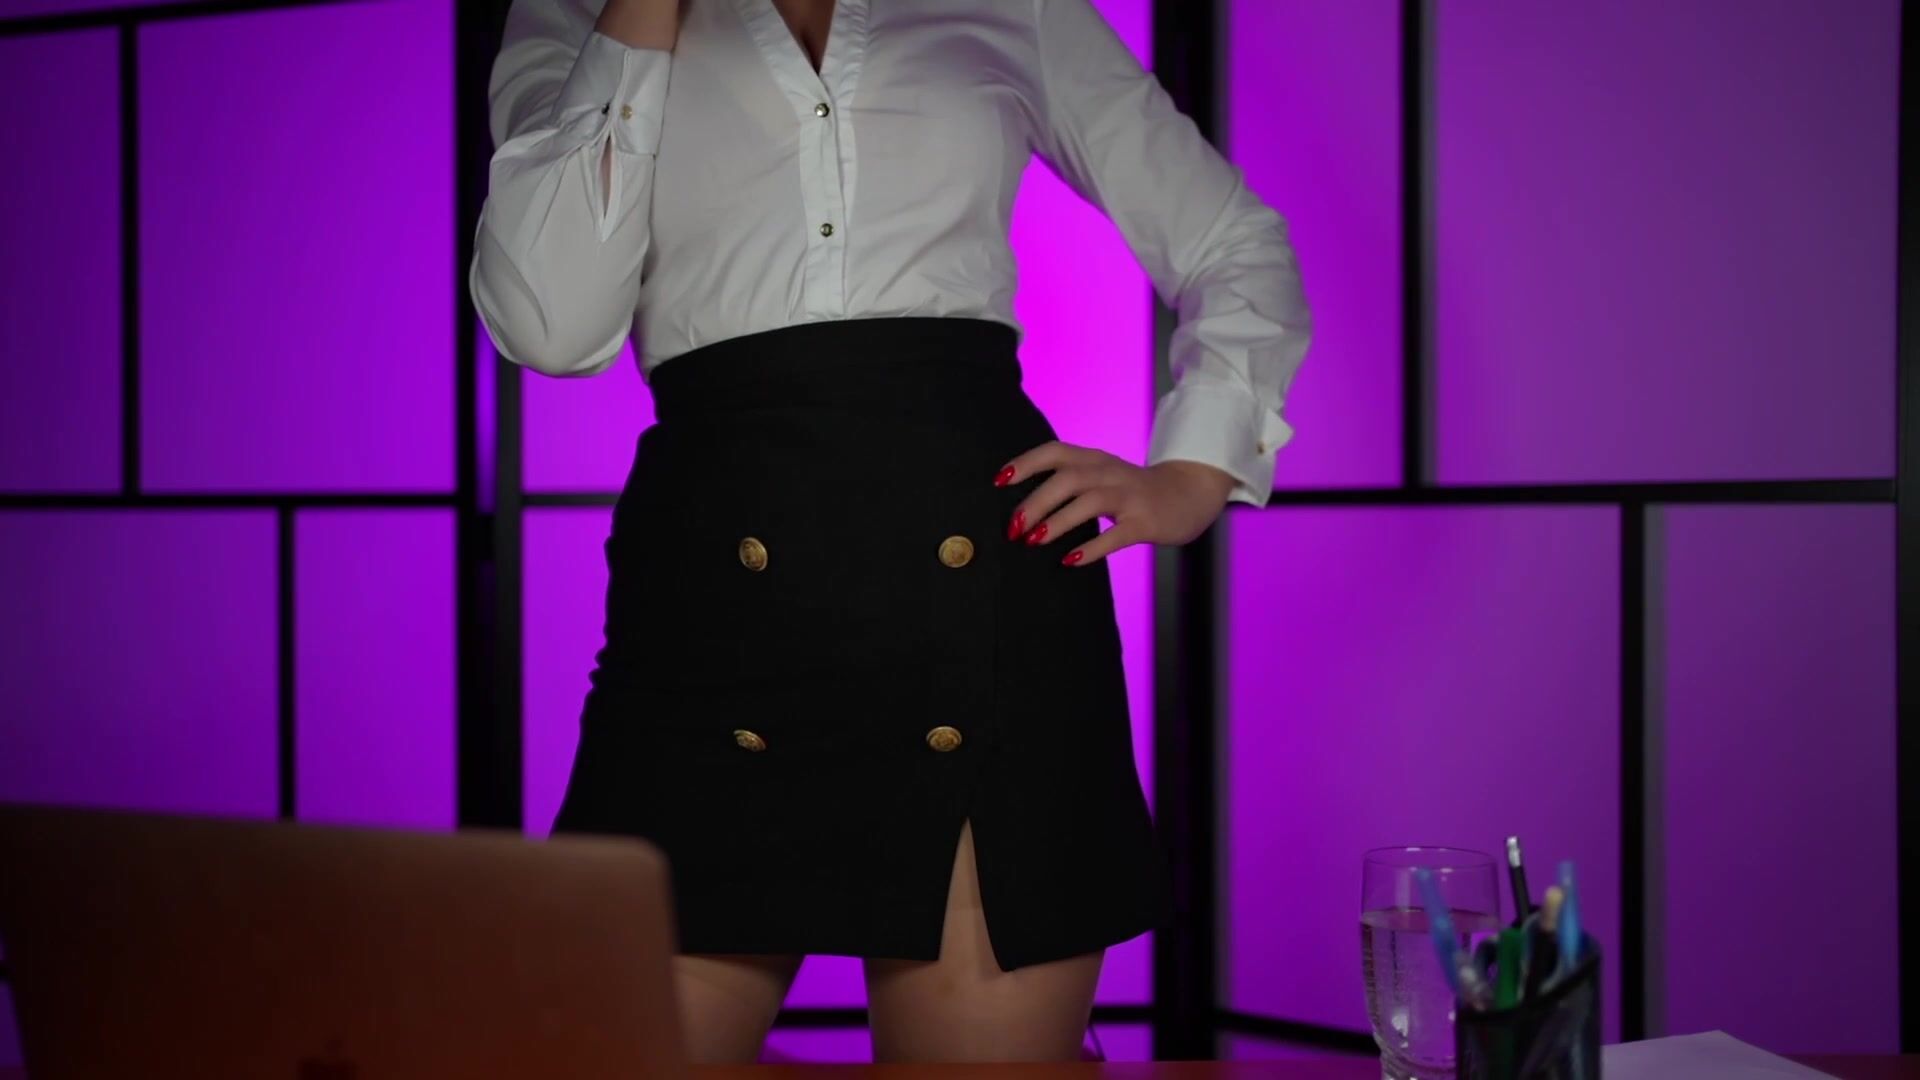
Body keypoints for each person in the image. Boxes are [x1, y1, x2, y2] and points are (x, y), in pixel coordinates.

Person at [468, 0, 1311, 1063]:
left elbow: (1233, 242)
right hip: (716, 606)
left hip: (983, 595)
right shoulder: (575, 12)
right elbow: (551, 324)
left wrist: (1193, 472)